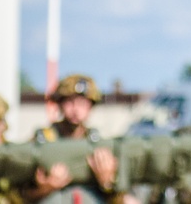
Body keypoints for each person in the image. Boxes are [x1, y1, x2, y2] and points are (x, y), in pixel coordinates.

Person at [26, 74, 137, 204]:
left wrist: (107, 182)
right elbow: (19, 196)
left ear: (91, 106)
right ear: (60, 104)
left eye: (82, 103)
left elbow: (117, 197)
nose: (76, 109)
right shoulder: (42, 140)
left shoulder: (96, 142)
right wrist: (45, 188)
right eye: (70, 102)